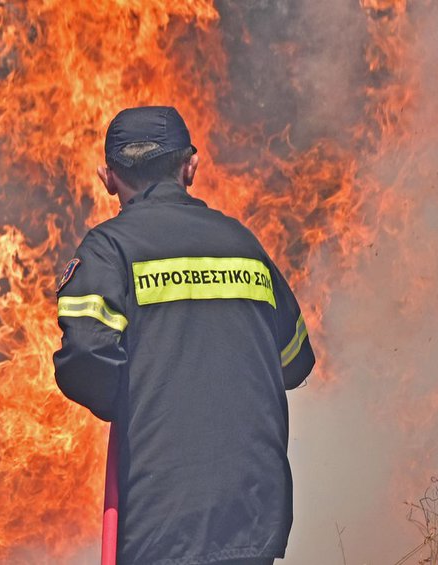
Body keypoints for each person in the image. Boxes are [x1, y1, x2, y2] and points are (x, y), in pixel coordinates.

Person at [53, 106, 315, 565]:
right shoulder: (243, 245)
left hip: (163, 515)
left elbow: (87, 356)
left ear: (108, 177)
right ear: (190, 167)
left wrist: (137, 397)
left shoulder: (109, 249)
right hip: (253, 513)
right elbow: (294, 359)